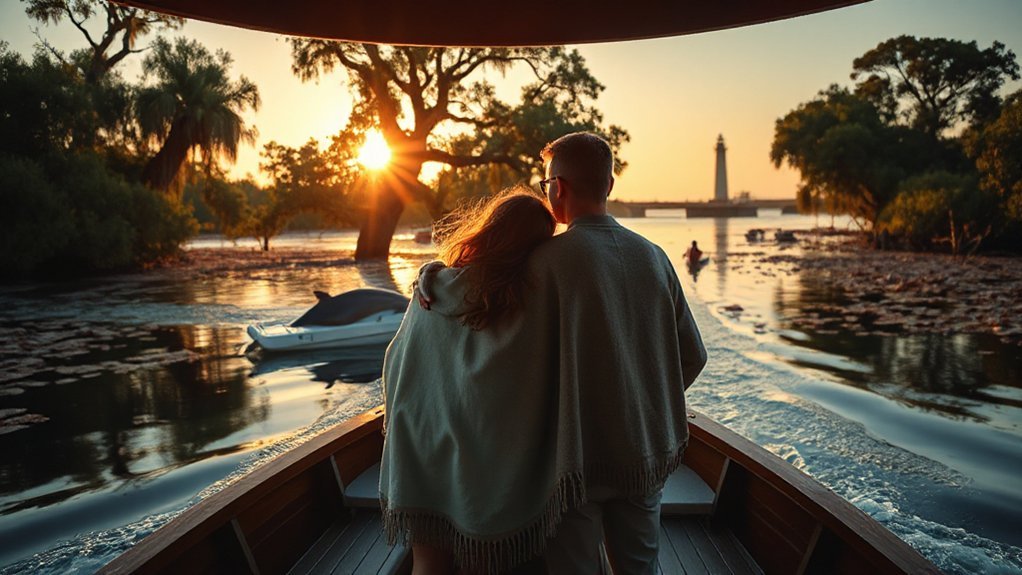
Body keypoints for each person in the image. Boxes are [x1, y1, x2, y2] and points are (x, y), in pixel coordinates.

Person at [411, 132, 707, 574]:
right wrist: (646, 401)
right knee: (641, 566)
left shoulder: (546, 263)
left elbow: (481, 322)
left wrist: (430, 274)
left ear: (559, 188)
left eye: (546, 181)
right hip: (647, 450)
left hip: (577, 459)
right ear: (608, 186)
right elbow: (694, 356)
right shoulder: (656, 257)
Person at [379, 188, 560, 574]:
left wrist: (428, 270)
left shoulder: (429, 291)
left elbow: (395, 361)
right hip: (485, 457)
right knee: (485, 561)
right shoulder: (526, 304)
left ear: (487, 229)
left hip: (418, 441)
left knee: (427, 562)